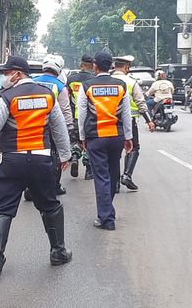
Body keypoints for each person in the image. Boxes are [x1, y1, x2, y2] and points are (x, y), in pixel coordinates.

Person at [0, 55, 72, 279]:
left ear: (18, 74)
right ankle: (58, 251)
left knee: (1, 208)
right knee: (49, 205)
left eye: (6, 73)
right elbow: (59, 128)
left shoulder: (7, 96)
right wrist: (65, 155)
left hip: (12, 160)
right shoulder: (47, 95)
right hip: (42, 160)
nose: (4, 77)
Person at [78, 51, 133, 231]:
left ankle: (106, 218)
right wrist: (128, 137)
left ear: (95, 66)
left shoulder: (87, 86)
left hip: (96, 137)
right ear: (110, 66)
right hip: (116, 137)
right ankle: (107, 210)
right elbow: (126, 114)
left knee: (101, 177)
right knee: (113, 173)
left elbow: (82, 114)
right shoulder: (120, 85)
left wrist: (82, 137)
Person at [111, 56, 155, 191]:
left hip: (110, 121)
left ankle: (115, 183)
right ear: (126, 68)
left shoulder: (108, 80)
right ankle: (127, 176)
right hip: (129, 121)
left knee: (114, 152)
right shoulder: (131, 82)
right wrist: (149, 121)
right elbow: (141, 103)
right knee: (133, 148)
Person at [33, 54, 74, 195]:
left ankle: (30, 187)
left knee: (32, 155)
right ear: (59, 70)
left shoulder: (32, 82)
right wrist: (69, 128)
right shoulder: (60, 87)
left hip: (33, 125)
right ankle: (55, 186)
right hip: (53, 128)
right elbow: (65, 110)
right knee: (56, 156)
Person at [66, 54, 95, 180]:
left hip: (75, 116)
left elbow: (67, 99)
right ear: (93, 66)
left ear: (81, 64)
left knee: (75, 140)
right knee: (90, 142)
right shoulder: (94, 80)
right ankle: (89, 171)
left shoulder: (71, 80)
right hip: (91, 117)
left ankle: (74, 158)